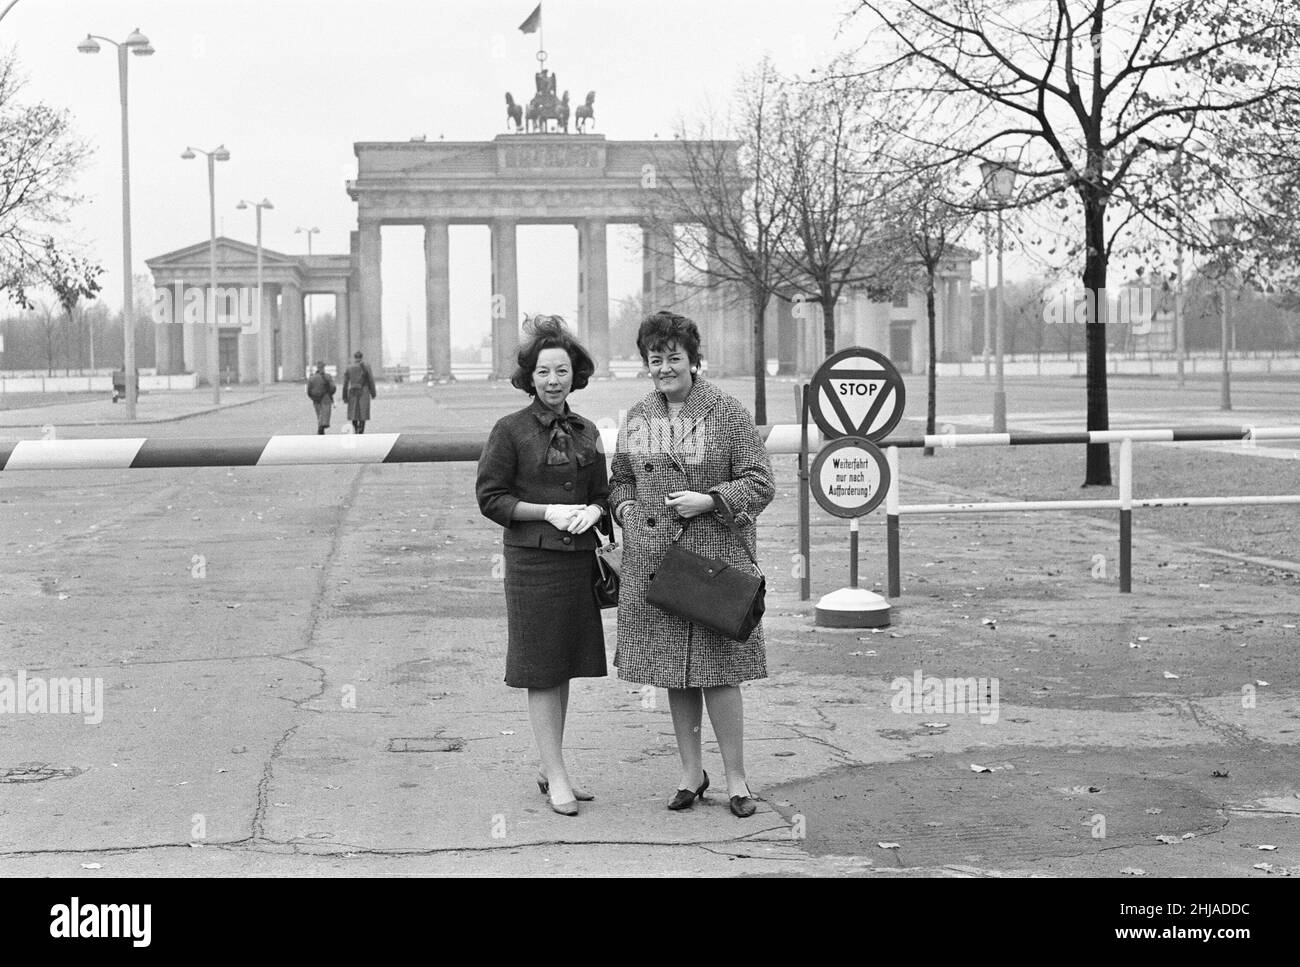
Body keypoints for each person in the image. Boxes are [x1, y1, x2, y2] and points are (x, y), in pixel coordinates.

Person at [610, 311, 775, 818]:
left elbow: (761, 482)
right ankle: (690, 774)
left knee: (721, 672)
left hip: (713, 564)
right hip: (657, 563)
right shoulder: (638, 417)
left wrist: (710, 500)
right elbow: (619, 479)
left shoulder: (726, 411)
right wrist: (626, 509)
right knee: (674, 673)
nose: (664, 368)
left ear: (693, 359)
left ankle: (738, 779)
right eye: (654, 359)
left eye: (673, 358)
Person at [475, 316, 609, 817]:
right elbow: (491, 498)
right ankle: (556, 774)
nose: (554, 380)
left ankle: (550, 766)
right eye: (544, 372)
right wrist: (546, 511)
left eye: (563, 371)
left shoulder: (587, 430)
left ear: (576, 375)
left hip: (577, 564)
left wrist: (597, 510)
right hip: (532, 564)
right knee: (541, 669)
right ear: (529, 377)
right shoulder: (509, 430)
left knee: (565, 665)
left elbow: (604, 491)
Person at [342, 351, 377, 434]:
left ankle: (356, 428)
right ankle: (361, 431)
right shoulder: (366, 366)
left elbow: (345, 383)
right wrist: (373, 393)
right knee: (363, 412)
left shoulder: (349, 367)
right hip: (364, 391)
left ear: (354, 357)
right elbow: (371, 380)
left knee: (354, 412)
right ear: (362, 357)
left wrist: (345, 397)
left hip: (353, 391)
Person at [306, 361, 335, 435]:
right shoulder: (328, 376)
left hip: (316, 398)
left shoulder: (312, 378)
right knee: (325, 413)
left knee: (319, 413)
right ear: (323, 367)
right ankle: (321, 427)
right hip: (325, 397)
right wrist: (330, 394)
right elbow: (333, 387)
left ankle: (320, 426)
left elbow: (308, 390)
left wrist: (312, 397)